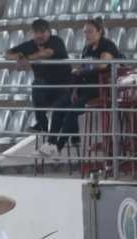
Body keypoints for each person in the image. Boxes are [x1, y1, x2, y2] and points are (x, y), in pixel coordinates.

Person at [48, 17, 123, 152]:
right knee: (58, 107)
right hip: (83, 87)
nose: (86, 35)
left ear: (99, 31)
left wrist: (82, 69)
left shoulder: (107, 45)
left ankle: (58, 146)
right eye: (84, 32)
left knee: (71, 112)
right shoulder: (86, 49)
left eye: (90, 31)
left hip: (99, 90)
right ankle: (50, 144)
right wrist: (75, 88)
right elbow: (81, 70)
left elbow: (102, 64)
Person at [4, 19, 71, 133]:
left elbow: (47, 53)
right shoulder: (30, 45)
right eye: (36, 32)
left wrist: (27, 58)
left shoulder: (56, 41)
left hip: (63, 88)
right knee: (37, 85)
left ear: (49, 32)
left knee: (40, 87)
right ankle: (42, 125)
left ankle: (51, 137)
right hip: (44, 91)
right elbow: (7, 54)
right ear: (32, 33)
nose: (39, 35)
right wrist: (19, 56)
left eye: (42, 32)